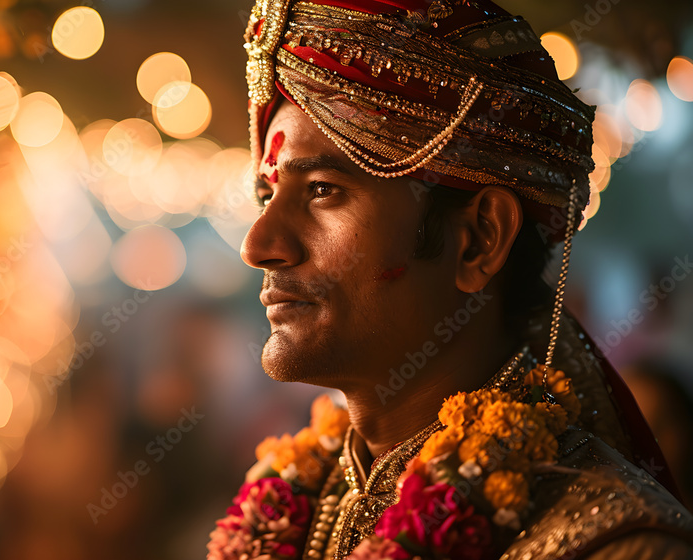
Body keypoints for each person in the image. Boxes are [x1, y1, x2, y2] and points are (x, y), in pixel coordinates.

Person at [206, 0, 693, 558]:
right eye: (267, 196)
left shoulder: (615, 543)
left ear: (479, 239)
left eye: (323, 190)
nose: (257, 246)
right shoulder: (299, 511)